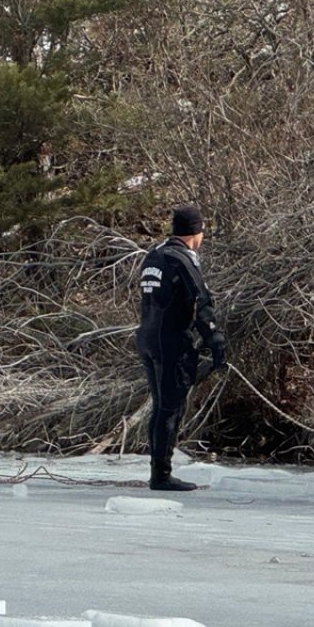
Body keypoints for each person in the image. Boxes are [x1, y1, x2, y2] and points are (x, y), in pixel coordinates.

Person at [136, 203, 227, 491]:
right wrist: (216, 343)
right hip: (170, 342)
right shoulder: (182, 260)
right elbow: (202, 303)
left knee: (161, 406)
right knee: (170, 408)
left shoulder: (154, 256)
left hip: (147, 339)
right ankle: (161, 476)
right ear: (195, 232)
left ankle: (158, 472)